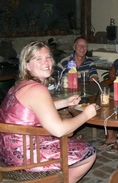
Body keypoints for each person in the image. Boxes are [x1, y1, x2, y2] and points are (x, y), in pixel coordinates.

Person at [0, 41, 98, 183]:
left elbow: (34, 108)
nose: (46, 62)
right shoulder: (37, 89)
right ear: (26, 65)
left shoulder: (19, 85)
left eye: (48, 57)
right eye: (38, 59)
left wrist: (65, 102)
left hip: (7, 152)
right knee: (89, 152)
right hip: (25, 157)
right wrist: (86, 115)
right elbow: (59, 130)